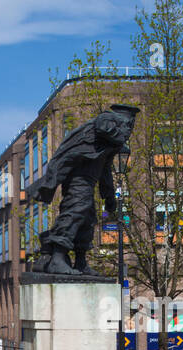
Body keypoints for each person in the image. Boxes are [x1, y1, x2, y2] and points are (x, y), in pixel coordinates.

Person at [29, 104, 139, 276]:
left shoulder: (105, 147)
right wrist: (119, 134)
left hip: (89, 183)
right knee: (75, 212)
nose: (129, 131)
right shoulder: (104, 122)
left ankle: (80, 261)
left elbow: (105, 173)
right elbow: (103, 126)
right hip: (78, 180)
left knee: (88, 219)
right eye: (128, 125)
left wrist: (109, 197)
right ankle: (57, 258)